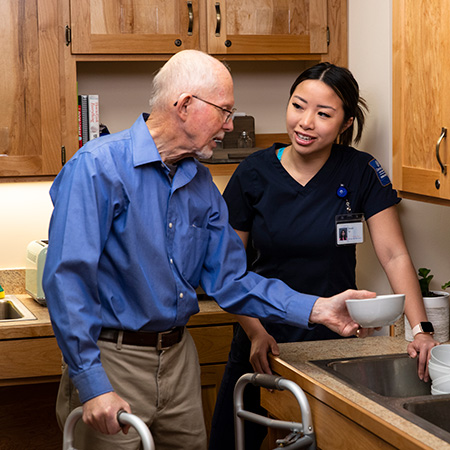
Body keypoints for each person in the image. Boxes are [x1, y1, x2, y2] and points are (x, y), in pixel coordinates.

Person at [42, 51, 375, 450]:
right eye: (224, 112)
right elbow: (67, 282)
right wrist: (92, 384)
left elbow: (231, 280)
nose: (230, 126)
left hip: (180, 359)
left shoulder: (200, 185)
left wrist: (320, 308)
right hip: (114, 360)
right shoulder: (97, 167)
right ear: (184, 106)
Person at [208, 62, 438, 450]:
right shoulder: (254, 173)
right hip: (262, 338)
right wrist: (254, 332)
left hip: (333, 343)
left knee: (326, 441)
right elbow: (227, 269)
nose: (305, 122)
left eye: (323, 114)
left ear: (346, 123)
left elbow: (394, 254)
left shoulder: (361, 171)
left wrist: (421, 330)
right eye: (298, 106)